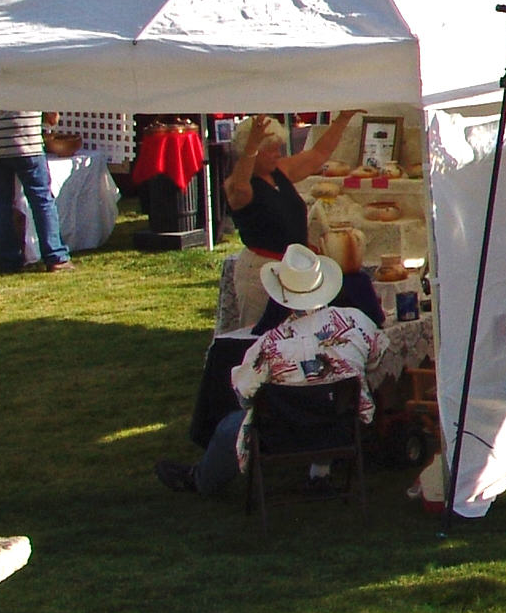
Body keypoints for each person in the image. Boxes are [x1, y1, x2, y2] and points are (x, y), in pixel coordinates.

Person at [156, 243, 386, 496]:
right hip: (341, 428)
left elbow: (243, 394)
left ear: (282, 295)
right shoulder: (358, 323)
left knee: (231, 426)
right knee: (326, 397)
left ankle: (201, 481)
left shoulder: (270, 345)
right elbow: (374, 359)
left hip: (283, 436)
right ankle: (319, 475)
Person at [220, 112, 361, 329]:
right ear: (254, 152)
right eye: (271, 150)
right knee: (262, 333)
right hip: (261, 271)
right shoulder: (238, 185)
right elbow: (240, 189)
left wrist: (342, 120)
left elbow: (318, 153)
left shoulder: (280, 172)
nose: (278, 154)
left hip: (296, 266)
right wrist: (251, 146)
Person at [0, 110, 72, 273]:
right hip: (26, 141)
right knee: (41, 201)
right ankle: (55, 257)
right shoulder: (32, 83)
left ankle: (9, 260)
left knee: (0, 206)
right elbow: (52, 118)